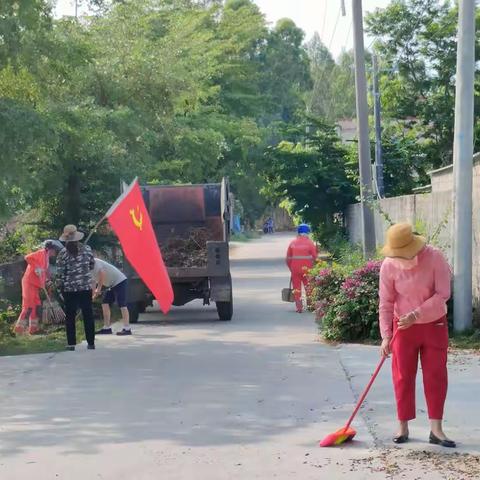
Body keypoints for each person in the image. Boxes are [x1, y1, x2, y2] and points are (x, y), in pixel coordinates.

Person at [379, 223, 455, 448]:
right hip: (403, 328)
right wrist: (385, 335)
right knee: (402, 376)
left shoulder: (435, 258)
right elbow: (386, 302)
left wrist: (417, 314)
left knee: (435, 375)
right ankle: (402, 426)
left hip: (434, 324)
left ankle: (436, 429)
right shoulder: (388, 266)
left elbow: (443, 294)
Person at [56, 225, 95, 351]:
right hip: (85, 287)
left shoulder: (62, 254)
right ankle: (91, 343)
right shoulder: (87, 249)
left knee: (70, 316)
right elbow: (92, 265)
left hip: (69, 289)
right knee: (88, 314)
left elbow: (60, 274)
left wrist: (59, 288)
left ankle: (71, 343)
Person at [14, 240, 63, 335]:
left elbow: (45, 273)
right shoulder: (41, 253)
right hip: (29, 283)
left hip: (35, 284)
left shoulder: (47, 258)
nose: (55, 252)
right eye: (55, 250)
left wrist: (48, 282)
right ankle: (19, 329)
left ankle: (33, 328)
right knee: (28, 306)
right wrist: (36, 267)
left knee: (35, 305)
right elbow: (28, 257)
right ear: (50, 249)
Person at [93, 257, 131, 336]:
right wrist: (93, 294)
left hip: (120, 281)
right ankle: (107, 328)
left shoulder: (95, 262)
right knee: (105, 303)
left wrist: (99, 289)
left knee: (122, 304)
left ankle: (127, 328)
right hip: (111, 284)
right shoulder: (86, 267)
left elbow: (102, 273)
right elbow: (93, 282)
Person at [286, 224, 318, 313]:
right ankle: (310, 306)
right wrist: (317, 268)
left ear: (298, 233)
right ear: (308, 232)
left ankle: (299, 308)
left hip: (295, 269)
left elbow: (288, 258)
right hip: (307, 269)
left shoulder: (292, 243)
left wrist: (291, 268)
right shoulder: (310, 243)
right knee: (309, 287)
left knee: (296, 288)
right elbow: (315, 257)